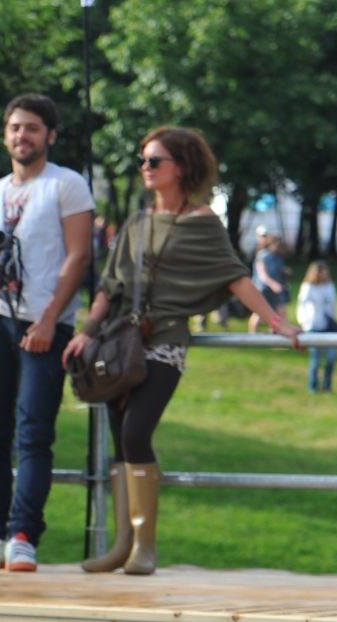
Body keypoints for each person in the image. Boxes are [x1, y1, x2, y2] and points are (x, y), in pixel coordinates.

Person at [66, 127, 299, 576]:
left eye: (156, 161)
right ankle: (121, 545)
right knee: (119, 437)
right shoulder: (135, 223)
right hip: (119, 340)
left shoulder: (203, 222)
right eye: (144, 161)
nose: (146, 168)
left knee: (136, 433)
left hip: (165, 341)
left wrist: (277, 321)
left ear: (182, 167)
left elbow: (236, 277)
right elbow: (108, 287)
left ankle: (145, 548)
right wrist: (86, 331)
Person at [0, 93, 94, 572]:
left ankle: (24, 533)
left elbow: (78, 256)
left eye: (33, 128)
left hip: (44, 321)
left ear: (50, 135)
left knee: (34, 432)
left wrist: (48, 319)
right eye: (15, 127)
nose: (23, 136)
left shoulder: (67, 185)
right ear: (6, 134)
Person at [298, 260, 337, 393]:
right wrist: (304, 323)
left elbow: (333, 304)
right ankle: (313, 387)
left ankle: (327, 386)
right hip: (313, 326)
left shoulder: (329, 286)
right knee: (315, 360)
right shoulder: (308, 287)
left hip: (328, 325)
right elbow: (302, 306)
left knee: (331, 358)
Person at [249, 231, 289, 334]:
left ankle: (277, 334)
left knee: (280, 313)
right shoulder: (263, 256)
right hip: (263, 289)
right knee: (260, 312)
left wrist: (285, 271)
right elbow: (262, 275)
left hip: (276, 289)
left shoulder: (277, 257)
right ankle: (252, 336)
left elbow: (278, 270)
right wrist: (273, 284)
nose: (277, 246)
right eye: (275, 244)